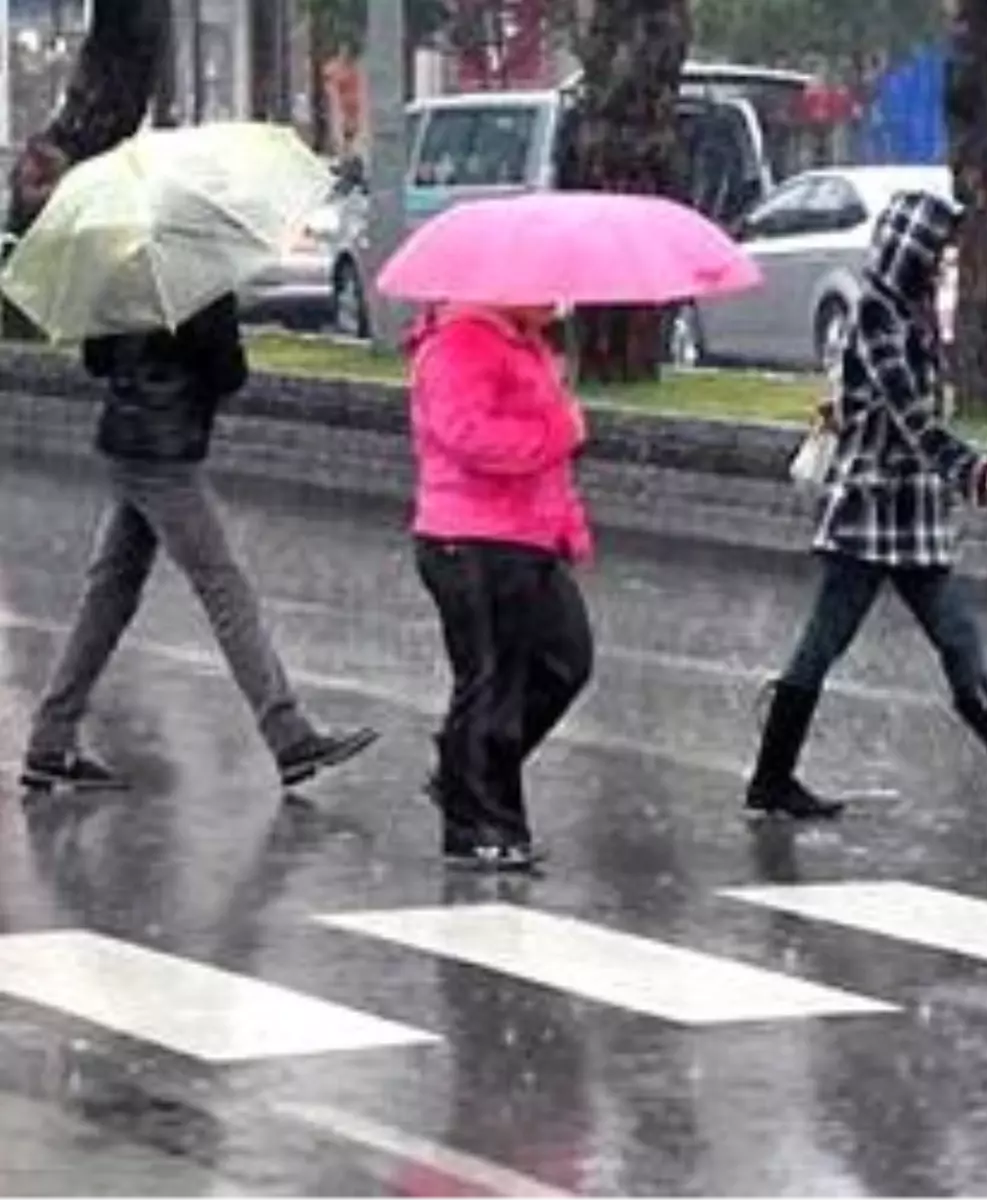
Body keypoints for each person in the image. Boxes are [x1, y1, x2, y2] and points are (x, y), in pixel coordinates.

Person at [746, 190, 987, 820]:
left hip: (914, 512)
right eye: (935, 250)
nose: (941, 262)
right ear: (911, 250)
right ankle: (771, 778)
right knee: (821, 646)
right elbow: (910, 415)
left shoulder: (911, 313)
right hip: (868, 509)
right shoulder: (876, 314)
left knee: (959, 636)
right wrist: (974, 470)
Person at [22, 292, 378, 794]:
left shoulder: (120, 271)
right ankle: (289, 735)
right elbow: (229, 373)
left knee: (108, 596)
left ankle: (49, 741)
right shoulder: (203, 286)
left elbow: (96, 361)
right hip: (167, 455)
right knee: (222, 587)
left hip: (126, 442)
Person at [410, 304, 594, 871]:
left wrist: (569, 527)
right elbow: (467, 436)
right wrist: (558, 429)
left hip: (529, 539)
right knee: (491, 681)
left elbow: (549, 468)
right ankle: (476, 824)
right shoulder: (459, 345)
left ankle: (467, 775)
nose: (557, 298)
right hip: (470, 538)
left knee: (565, 662)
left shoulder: (527, 342)